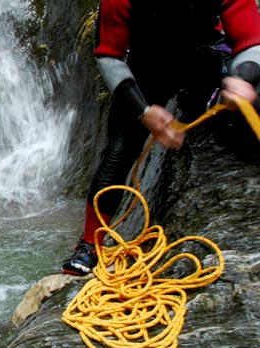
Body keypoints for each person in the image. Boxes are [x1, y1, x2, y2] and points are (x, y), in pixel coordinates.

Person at [61, 0, 260, 276]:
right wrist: (143, 111)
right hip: (148, 66)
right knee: (120, 149)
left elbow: (250, 41)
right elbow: (109, 55)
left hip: (204, 60)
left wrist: (243, 77)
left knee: (247, 111)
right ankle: (89, 244)